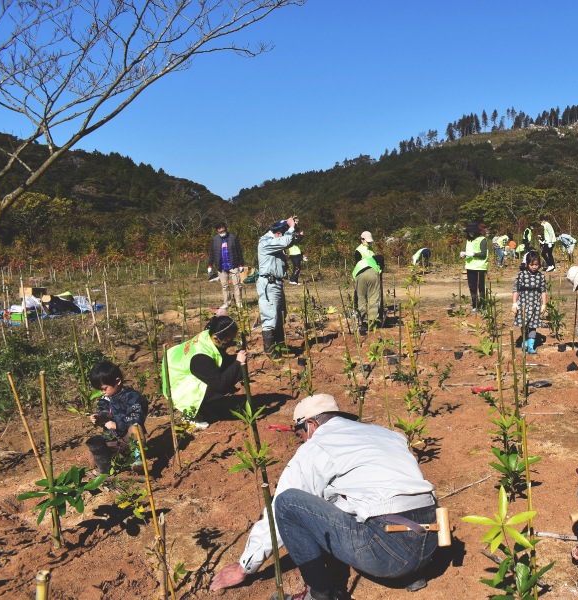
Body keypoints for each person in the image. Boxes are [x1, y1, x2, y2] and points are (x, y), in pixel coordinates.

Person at [210, 394, 439, 600]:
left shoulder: (317, 447)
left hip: (384, 555)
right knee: (355, 500)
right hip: (430, 542)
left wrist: (244, 566)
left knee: (286, 503)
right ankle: (412, 575)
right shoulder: (386, 434)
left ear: (311, 424)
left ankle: (321, 595)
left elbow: (278, 510)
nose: (302, 441)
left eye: (300, 434)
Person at [162, 315, 247, 428]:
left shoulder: (207, 336)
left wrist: (235, 360)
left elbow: (220, 359)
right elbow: (220, 384)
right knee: (218, 385)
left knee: (229, 369)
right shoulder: (201, 356)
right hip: (178, 388)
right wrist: (237, 363)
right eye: (229, 340)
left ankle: (203, 409)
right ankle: (190, 414)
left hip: (184, 371)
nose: (231, 343)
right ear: (216, 338)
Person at [85, 362, 148, 474]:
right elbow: (105, 413)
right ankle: (122, 462)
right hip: (113, 441)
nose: (103, 392)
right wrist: (97, 417)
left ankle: (139, 458)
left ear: (118, 382)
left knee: (135, 427)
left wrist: (117, 425)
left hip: (128, 439)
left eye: (105, 388)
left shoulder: (132, 397)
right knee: (93, 458)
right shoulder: (105, 399)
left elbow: (136, 416)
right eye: (100, 390)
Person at [258, 218, 296, 358]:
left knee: (280, 316)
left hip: (278, 283)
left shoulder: (276, 241)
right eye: (284, 232)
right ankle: (270, 351)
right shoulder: (266, 241)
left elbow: (290, 241)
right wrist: (291, 227)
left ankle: (280, 346)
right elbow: (285, 241)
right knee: (270, 316)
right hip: (269, 283)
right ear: (279, 233)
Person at [512, 250, 547, 354]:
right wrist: (514, 302)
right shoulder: (521, 275)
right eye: (532, 264)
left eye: (536, 264)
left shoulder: (541, 276)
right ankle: (525, 340)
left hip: (535, 303)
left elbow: (543, 291)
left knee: (533, 324)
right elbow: (516, 289)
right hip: (523, 303)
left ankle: (531, 345)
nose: (534, 267)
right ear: (527, 264)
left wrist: (544, 304)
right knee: (524, 323)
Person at [208, 222, 245, 309]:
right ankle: (227, 302)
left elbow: (239, 251)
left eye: (223, 231)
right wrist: (210, 265)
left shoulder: (233, 237)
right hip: (221, 266)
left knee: (237, 284)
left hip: (233, 265)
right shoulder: (215, 239)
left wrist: (241, 264)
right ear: (217, 232)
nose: (222, 233)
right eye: (220, 232)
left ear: (226, 229)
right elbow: (212, 253)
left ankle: (239, 302)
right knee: (224, 285)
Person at [353, 231, 381, 331]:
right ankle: (365, 322)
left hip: (370, 272)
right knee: (366, 297)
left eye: (370, 241)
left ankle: (369, 322)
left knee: (365, 297)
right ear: (361, 239)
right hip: (363, 273)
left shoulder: (370, 249)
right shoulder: (358, 250)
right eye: (367, 241)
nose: (369, 243)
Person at [461, 222, 488, 313]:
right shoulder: (468, 240)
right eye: (468, 232)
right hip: (470, 267)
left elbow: (483, 254)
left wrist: (473, 254)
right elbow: (467, 251)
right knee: (472, 287)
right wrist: (464, 254)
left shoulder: (482, 240)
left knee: (481, 287)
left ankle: (483, 306)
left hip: (480, 267)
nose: (470, 233)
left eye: (471, 231)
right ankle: (475, 305)